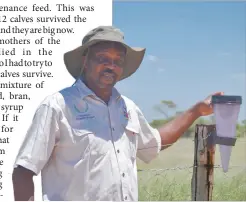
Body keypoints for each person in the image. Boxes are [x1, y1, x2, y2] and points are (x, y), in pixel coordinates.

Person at [12, 26, 223, 201]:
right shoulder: (57, 106)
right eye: (102, 58)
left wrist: (196, 111)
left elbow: (154, 143)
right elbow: (23, 171)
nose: (110, 66)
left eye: (118, 61)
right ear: (85, 60)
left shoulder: (127, 108)